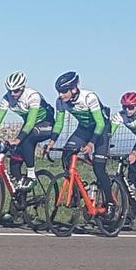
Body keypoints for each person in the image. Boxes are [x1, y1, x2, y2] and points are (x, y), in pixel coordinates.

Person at [49, 71, 111, 205]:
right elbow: (59, 123)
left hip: (101, 129)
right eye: (59, 91)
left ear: (73, 88)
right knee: (67, 154)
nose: (60, 95)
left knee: (99, 169)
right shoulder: (61, 101)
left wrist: (90, 144)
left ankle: (110, 202)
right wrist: (52, 141)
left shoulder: (89, 97)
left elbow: (100, 124)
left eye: (64, 91)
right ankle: (78, 191)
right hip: (84, 128)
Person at [0, 71, 56, 187]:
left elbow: (31, 122)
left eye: (16, 90)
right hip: (29, 125)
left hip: (46, 124)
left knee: (26, 138)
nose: (12, 94)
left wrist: (18, 139)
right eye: (9, 90)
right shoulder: (7, 98)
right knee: (15, 151)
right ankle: (20, 190)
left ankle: (31, 175)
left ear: (22, 88)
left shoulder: (32, 96)